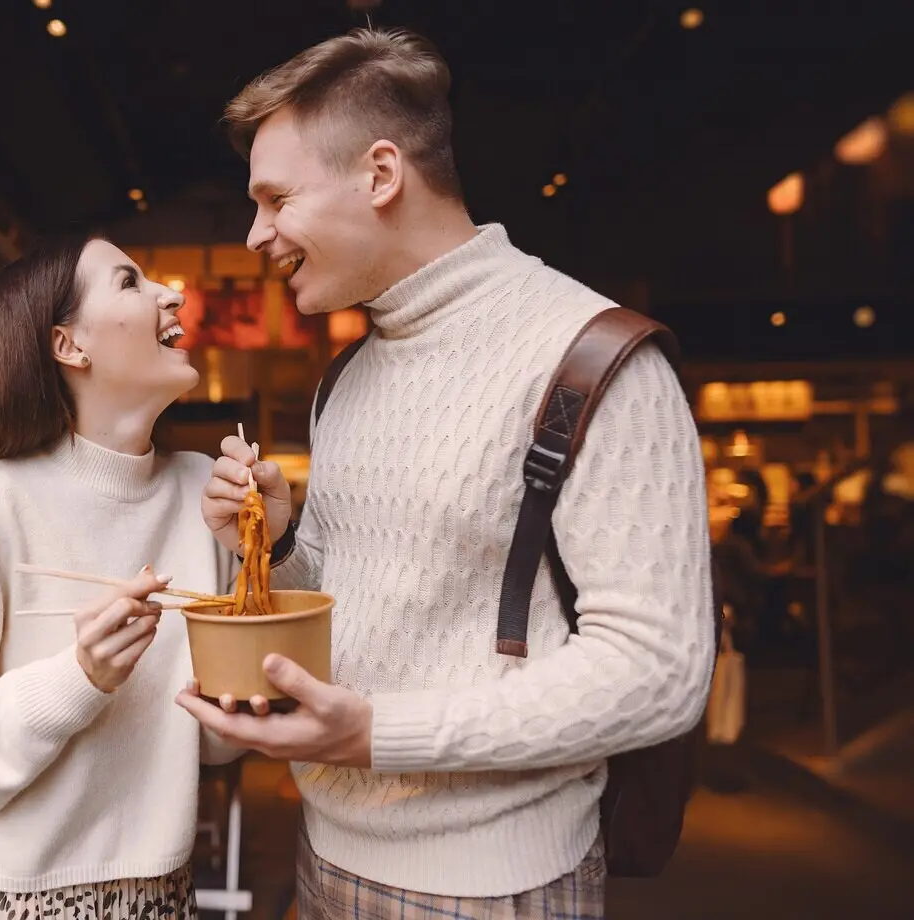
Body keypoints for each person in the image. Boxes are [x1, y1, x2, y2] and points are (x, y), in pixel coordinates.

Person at [178, 28, 715, 919]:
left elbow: (659, 668)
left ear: (381, 174)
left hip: (494, 885)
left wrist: (378, 734)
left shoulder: (591, 359)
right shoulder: (346, 375)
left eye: (275, 199)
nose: (254, 233)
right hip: (324, 854)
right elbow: (365, 606)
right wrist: (276, 546)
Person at [0, 237, 242, 920]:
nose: (172, 294)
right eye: (131, 282)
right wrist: (80, 678)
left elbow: (215, 743)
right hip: (17, 900)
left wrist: (262, 560)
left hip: (165, 893)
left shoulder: (202, 490)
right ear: (69, 346)